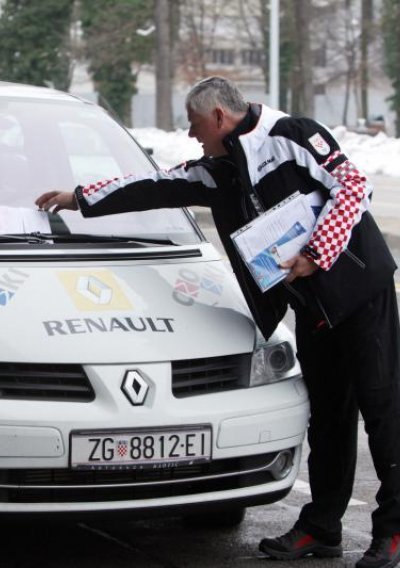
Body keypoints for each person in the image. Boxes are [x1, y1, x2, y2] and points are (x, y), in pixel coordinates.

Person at [36, 76, 400, 568]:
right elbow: (156, 185)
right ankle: (321, 527)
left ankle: (393, 531)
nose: (191, 136)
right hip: (312, 308)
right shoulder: (219, 168)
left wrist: (318, 252)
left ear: (219, 119)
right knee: (330, 419)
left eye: (193, 125)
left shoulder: (291, 134)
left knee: (382, 410)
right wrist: (79, 197)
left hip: (358, 292)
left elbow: (354, 185)